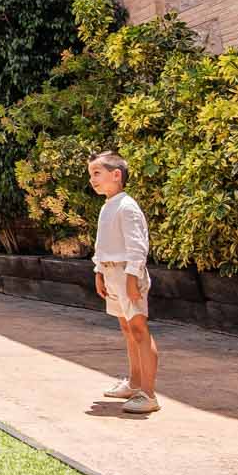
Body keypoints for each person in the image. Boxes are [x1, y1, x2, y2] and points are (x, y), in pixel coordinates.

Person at [89, 151, 159, 415]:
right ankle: (134, 383)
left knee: (139, 328)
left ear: (116, 175)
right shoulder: (108, 206)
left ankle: (148, 394)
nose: (92, 179)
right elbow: (102, 244)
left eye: (97, 173)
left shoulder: (127, 206)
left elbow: (138, 246)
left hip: (126, 275)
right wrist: (98, 271)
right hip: (111, 274)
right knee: (127, 329)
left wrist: (132, 278)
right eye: (91, 175)